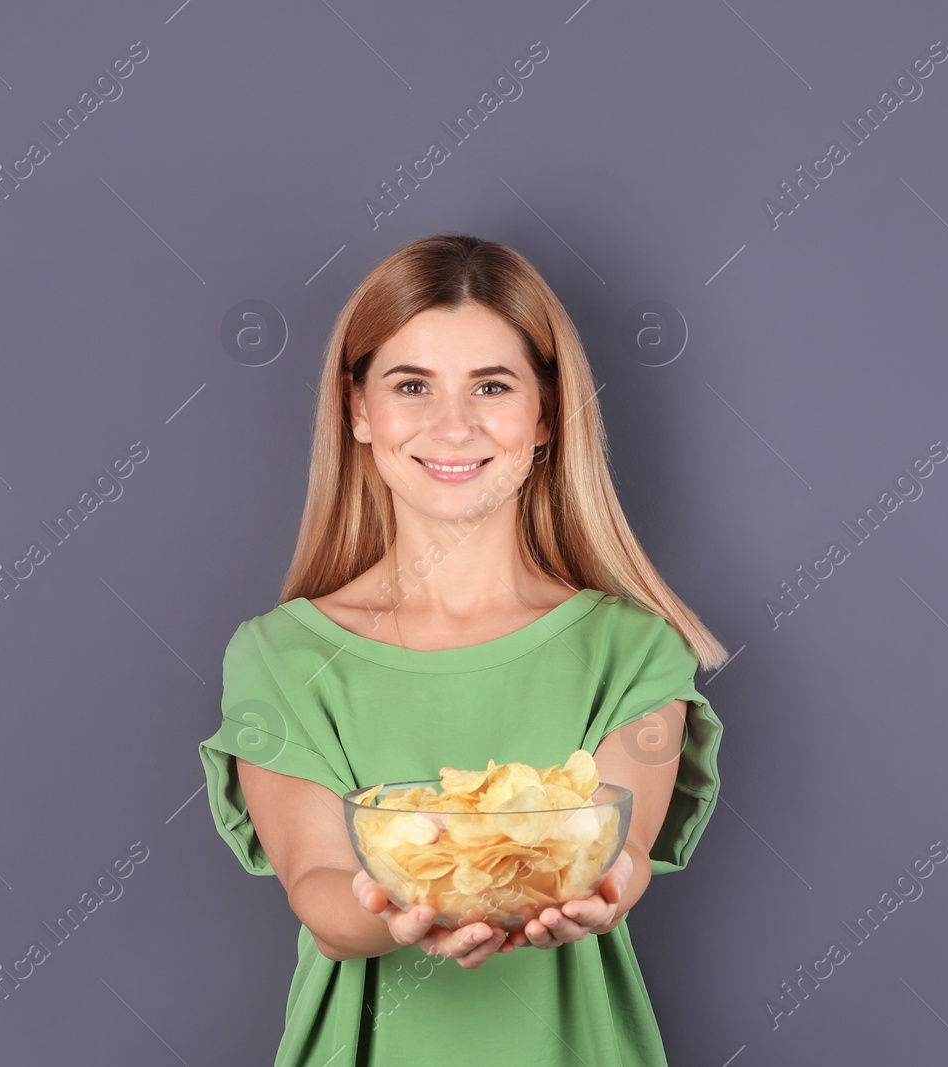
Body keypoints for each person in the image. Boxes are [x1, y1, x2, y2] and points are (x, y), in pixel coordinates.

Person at [199, 233, 729, 1065]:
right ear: (359, 410)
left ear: (546, 413)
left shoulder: (633, 650)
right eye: (412, 385)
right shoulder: (282, 658)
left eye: (492, 384)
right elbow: (320, 890)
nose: (454, 425)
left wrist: (610, 890)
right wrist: (404, 912)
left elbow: (618, 847)